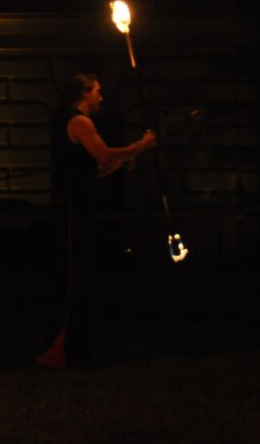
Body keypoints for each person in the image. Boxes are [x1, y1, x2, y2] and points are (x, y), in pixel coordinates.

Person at [37, 73, 156, 369]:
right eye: (97, 92)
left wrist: (121, 161)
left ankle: (76, 349)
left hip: (79, 210)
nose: (101, 97)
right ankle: (61, 350)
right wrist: (141, 145)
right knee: (75, 281)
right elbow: (103, 156)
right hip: (72, 212)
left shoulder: (73, 121)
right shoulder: (80, 122)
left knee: (84, 280)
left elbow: (91, 171)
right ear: (84, 93)